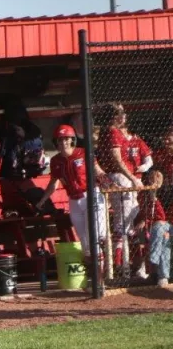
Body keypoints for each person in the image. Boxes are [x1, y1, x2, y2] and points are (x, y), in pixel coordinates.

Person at [36, 125, 108, 267]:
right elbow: (53, 183)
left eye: (67, 139)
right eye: (60, 139)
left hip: (90, 196)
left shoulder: (83, 153)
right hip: (74, 200)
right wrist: (42, 201)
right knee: (84, 241)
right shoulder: (56, 160)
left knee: (94, 235)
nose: (64, 142)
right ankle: (94, 275)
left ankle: (102, 274)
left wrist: (107, 181)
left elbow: (98, 171)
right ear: (56, 142)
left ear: (72, 140)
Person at [95, 103, 143, 271]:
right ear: (111, 116)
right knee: (122, 224)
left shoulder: (109, 131)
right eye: (118, 113)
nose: (123, 116)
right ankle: (119, 266)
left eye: (123, 113)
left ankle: (125, 265)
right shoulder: (112, 131)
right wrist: (133, 178)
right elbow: (116, 159)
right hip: (120, 178)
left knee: (129, 221)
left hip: (119, 177)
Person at [133, 170, 170, 286]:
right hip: (149, 227)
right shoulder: (144, 194)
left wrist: (154, 198)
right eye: (151, 179)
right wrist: (143, 221)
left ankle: (159, 274)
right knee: (141, 237)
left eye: (157, 179)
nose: (154, 182)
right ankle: (145, 270)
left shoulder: (165, 192)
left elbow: (161, 217)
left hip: (163, 226)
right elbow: (142, 212)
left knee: (159, 233)